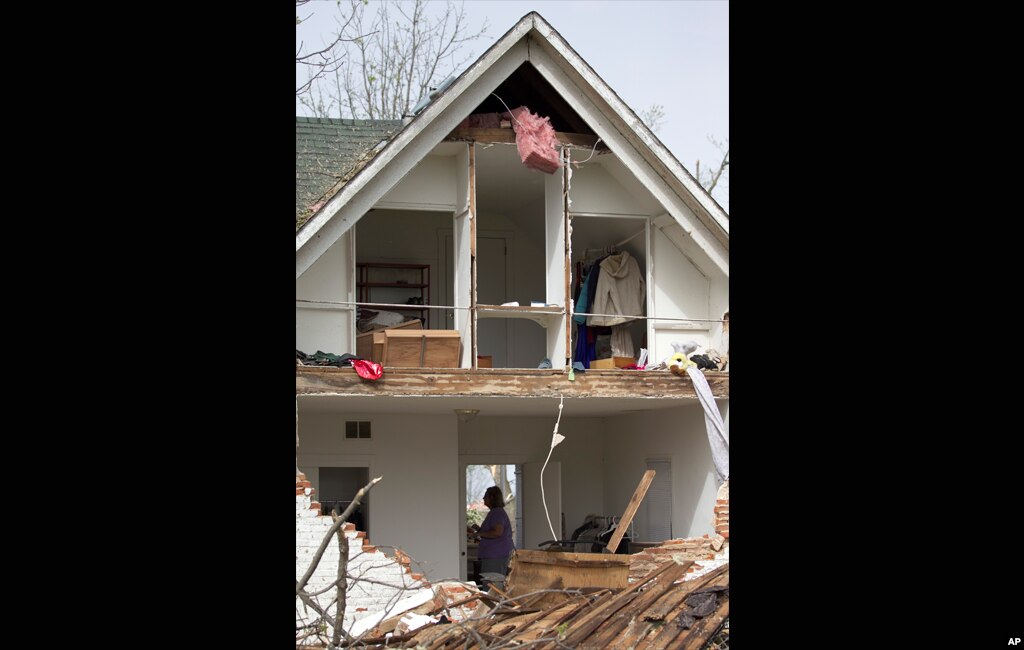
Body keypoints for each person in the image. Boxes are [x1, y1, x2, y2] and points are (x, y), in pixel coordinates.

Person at [476, 486, 514, 579]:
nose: (483, 498)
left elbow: (497, 532)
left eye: (485, 496)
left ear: (492, 497)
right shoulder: (496, 512)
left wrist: (478, 534)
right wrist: (478, 530)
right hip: (497, 555)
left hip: (496, 556)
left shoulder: (496, 512)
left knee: (493, 586)